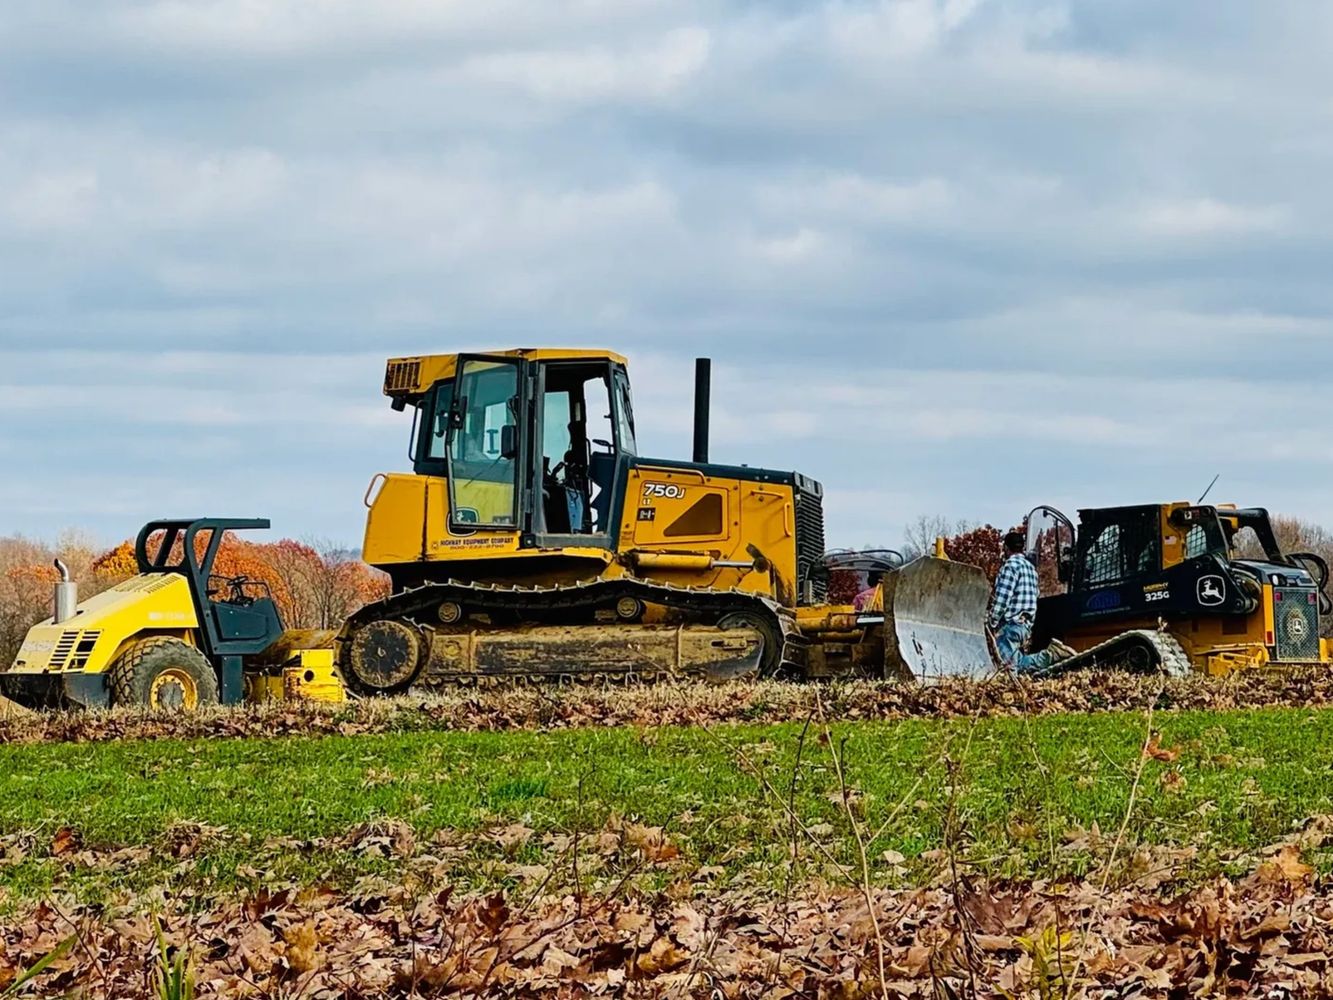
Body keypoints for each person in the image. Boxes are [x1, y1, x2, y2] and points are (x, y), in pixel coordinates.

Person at [989, 530, 1072, 674]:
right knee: (1019, 664)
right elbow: (1035, 596)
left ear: (1006, 548)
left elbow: (1002, 599)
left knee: (1007, 670)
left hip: (1010, 625)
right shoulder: (1031, 570)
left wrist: (991, 622)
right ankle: (1052, 655)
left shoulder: (1010, 566)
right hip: (1025, 627)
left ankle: (1050, 655)